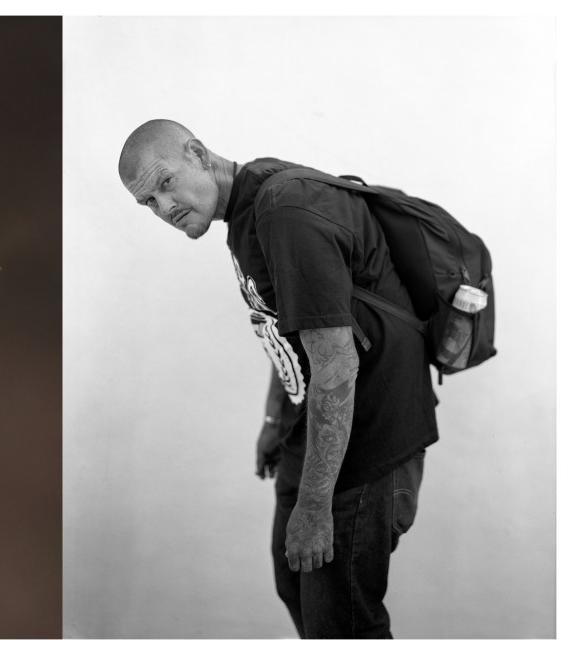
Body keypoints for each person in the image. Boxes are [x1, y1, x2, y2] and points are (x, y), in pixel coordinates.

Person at [118, 119, 437, 639]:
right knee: (296, 586)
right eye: (147, 202)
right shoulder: (247, 207)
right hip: (309, 428)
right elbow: (288, 325)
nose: (163, 208)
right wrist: (275, 415)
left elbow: (336, 365)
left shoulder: (284, 212)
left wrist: (315, 506)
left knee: (344, 626)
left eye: (166, 183)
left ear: (198, 154)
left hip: (368, 437)